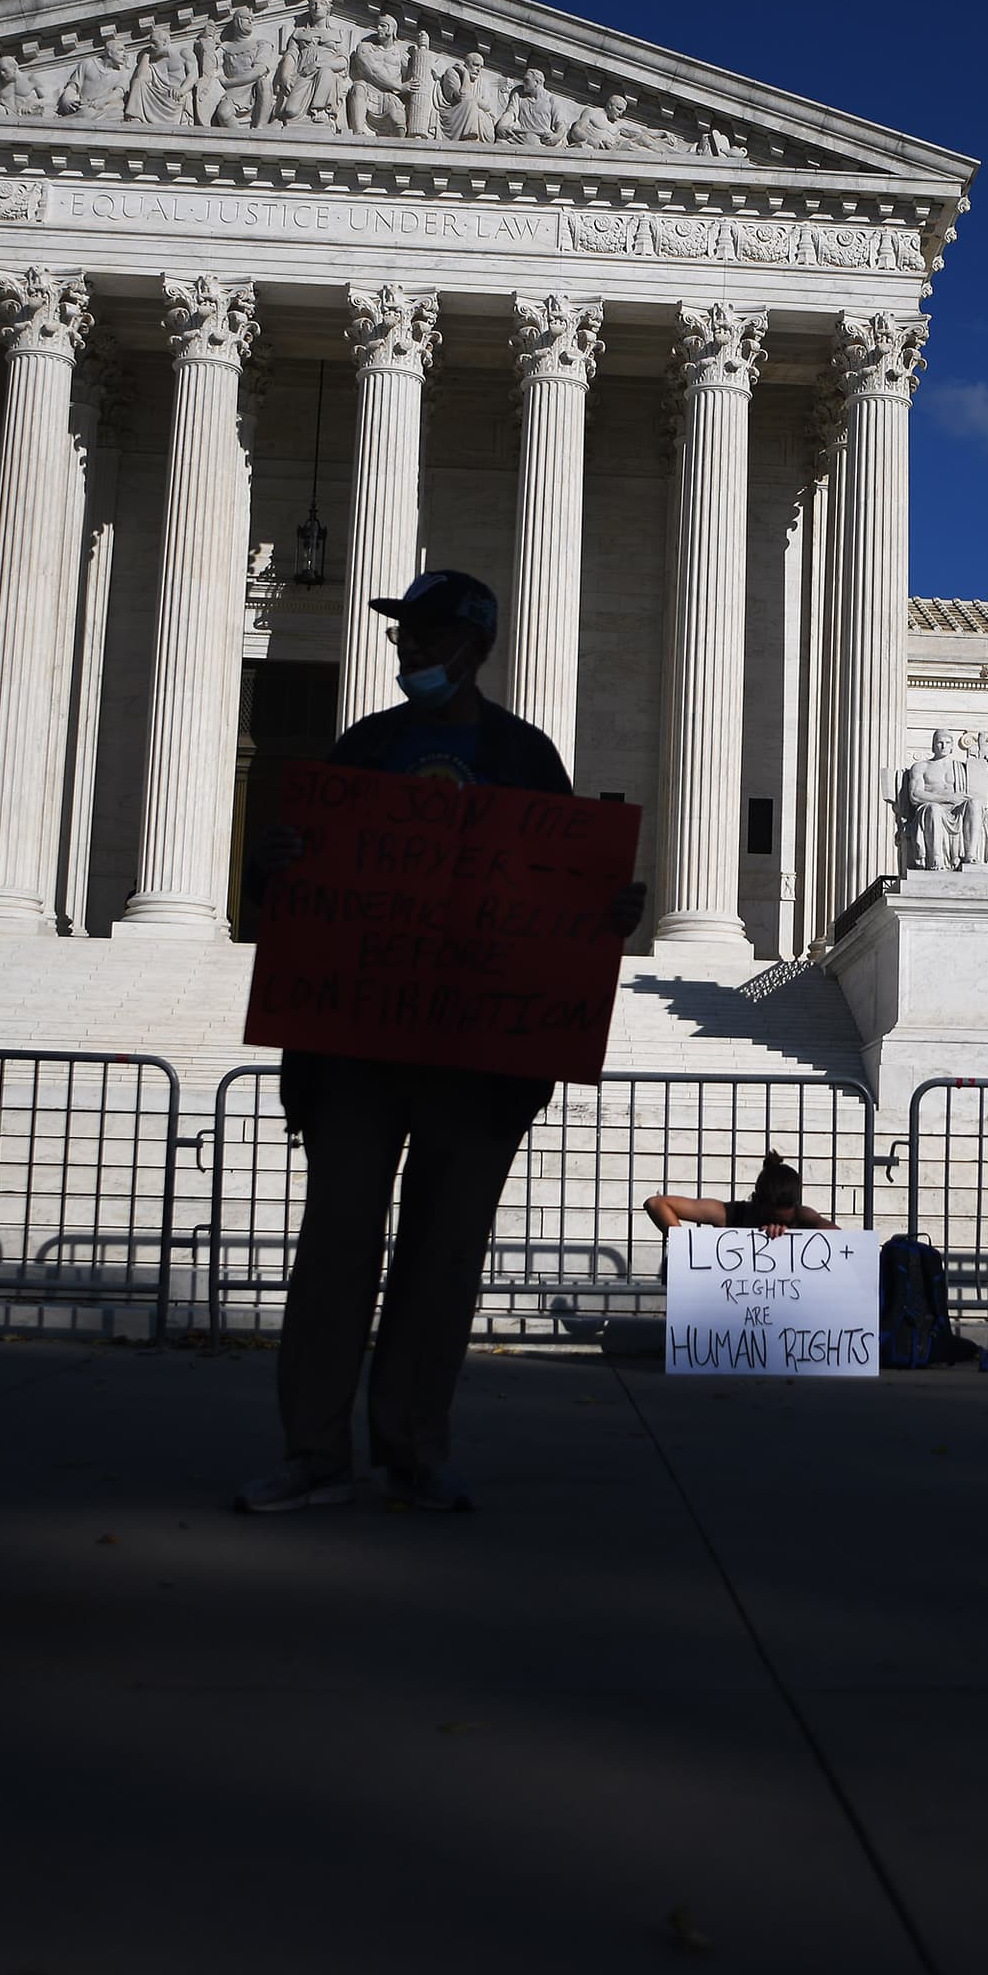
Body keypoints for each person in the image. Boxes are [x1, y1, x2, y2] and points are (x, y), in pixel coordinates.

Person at [236, 570, 646, 1516]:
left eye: (424, 635)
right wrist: (273, 868)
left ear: (475, 645)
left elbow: (560, 901)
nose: (405, 649)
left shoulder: (524, 759)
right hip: (355, 1051)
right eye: (402, 635)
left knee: (444, 1258)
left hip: (477, 1062)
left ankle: (413, 1447)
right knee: (336, 1250)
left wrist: (606, 914)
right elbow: (301, 887)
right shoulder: (365, 746)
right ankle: (313, 1451)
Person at [642, 1154, 833, 1235]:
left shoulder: (804, 1216)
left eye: (786, 1218)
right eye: (772, 1216)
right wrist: (689, 1248)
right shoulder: (731, 1213)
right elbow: (656, 1204)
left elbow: (841, 1240)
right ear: (757, 1203)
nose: (779, 1222)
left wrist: (791, 1238)